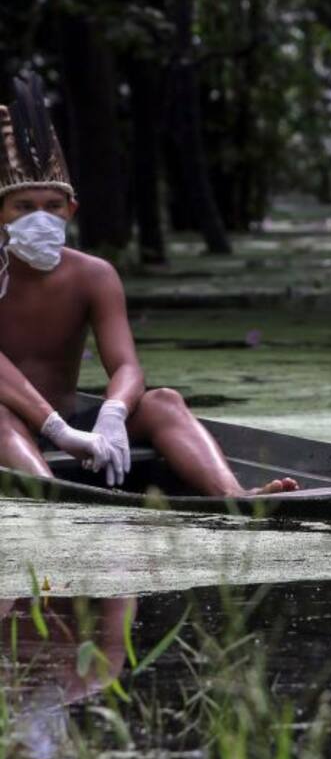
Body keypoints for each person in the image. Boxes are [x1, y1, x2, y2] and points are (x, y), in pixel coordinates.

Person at [0, 72, 296, 496]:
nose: (40, 218)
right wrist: (58, 430)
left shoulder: (93, 274)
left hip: (69, 426)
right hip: (19, 425)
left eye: (51, 206)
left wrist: (114, 413)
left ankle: (234, 498)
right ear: (0, 214)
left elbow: (126, 365)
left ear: (71, 210)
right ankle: (57, 502)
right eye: (24, 207)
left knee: (164, 401)